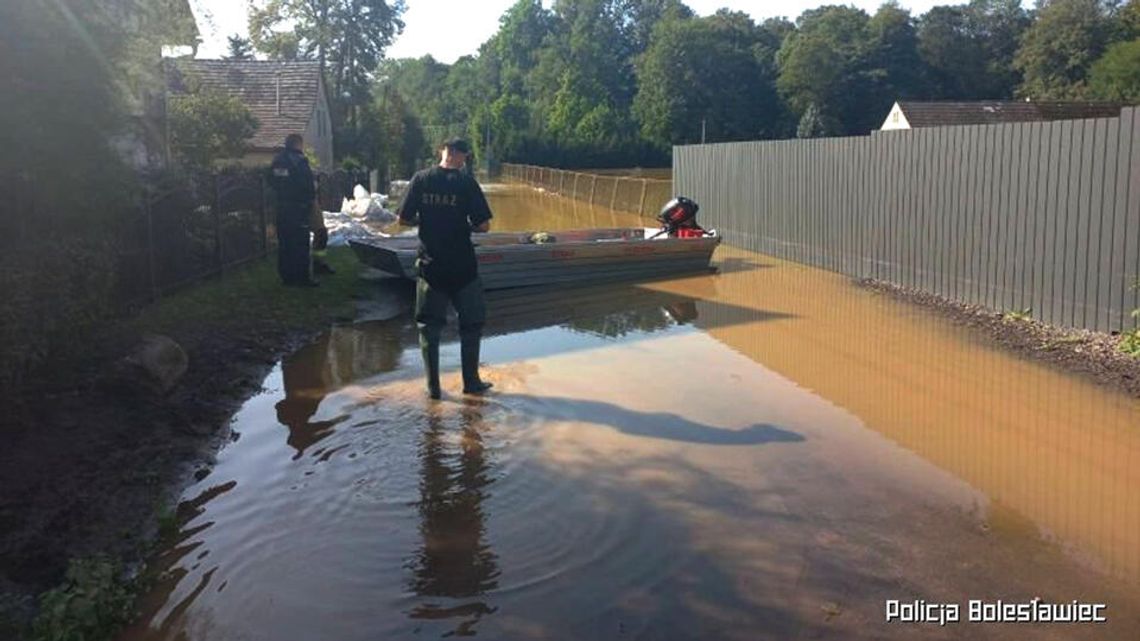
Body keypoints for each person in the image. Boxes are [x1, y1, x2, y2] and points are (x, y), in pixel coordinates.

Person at [398, 137, 494, 399]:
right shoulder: (466, 183)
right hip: (463, 267)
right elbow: (484, 225)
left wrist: (426, 221)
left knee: (429, 328)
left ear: (442, 152)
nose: (465, 160)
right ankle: (471, 383)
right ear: (459, 155)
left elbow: (402, 219)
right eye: (465, 156)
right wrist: (466, 226)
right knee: (471, 325)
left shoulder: (421, 179)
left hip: (431, 266)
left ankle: (433, 389)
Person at [270, 133, 318, 287]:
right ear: (298, 144)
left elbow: (272, 179)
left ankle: (286, 277)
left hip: (282, 207)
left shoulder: (278, 161)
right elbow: (307, 184)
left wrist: (282, 192)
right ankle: (302, 278)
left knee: (285, 243)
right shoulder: (299, 161)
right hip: (298, 207)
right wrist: (309, 200)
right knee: (301, 243)